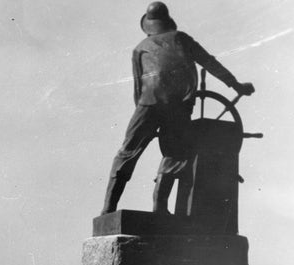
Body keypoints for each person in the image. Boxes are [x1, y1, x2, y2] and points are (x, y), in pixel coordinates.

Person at [101, 1, 255, 215]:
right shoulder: (182, 39)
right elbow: (210, 63)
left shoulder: (139, 48)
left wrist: (146, 118)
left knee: (127, 153)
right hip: (179, 103)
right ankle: (160, 208)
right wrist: (236, 85)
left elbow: (138, 89)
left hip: (148, 103)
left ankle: (108, 208)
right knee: (175, 153)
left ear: (149, 26)